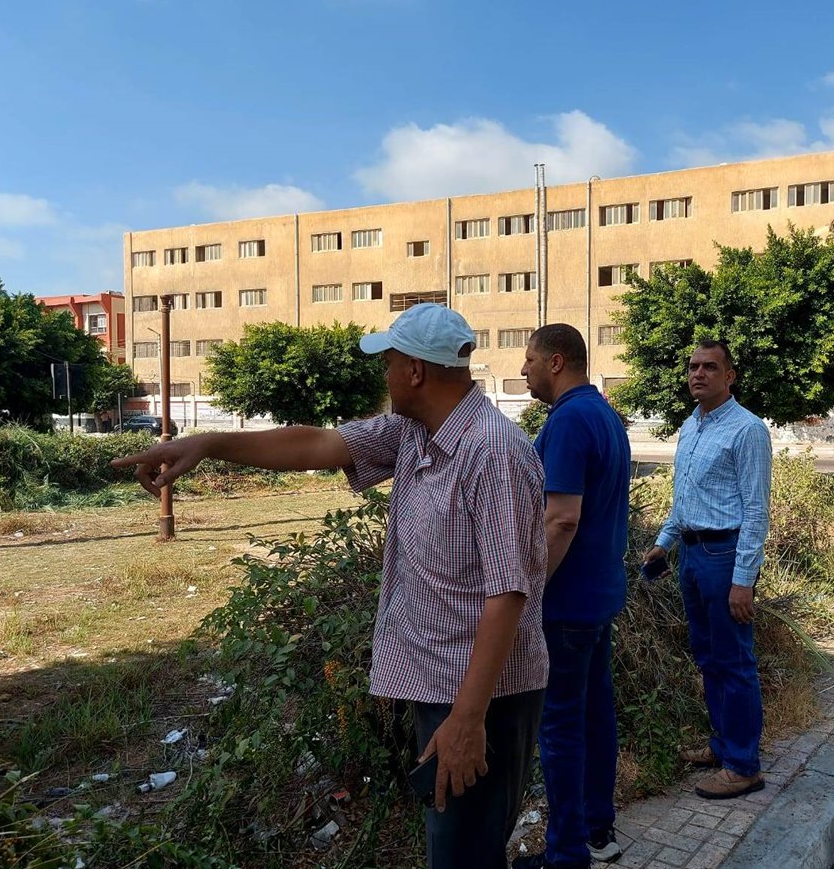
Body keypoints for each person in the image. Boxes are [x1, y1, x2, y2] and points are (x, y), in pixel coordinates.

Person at [112, 303, 549, 869]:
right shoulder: (415, 432)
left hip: (484, 697)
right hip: (447, 687)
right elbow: (316, 445)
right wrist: (208, 443)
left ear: (415, 370)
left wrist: (468, 719)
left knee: (466, 855)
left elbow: (508, 593)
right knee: (456, 849)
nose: (384, 373)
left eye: (388, 362)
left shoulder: (493, 452)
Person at [514, 324, 631, 869]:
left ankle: (565, 855)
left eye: (530, 360)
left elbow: (561, 519)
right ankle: (597, 830)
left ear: (556, 362)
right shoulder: (604, 413)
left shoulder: (568, 420)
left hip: (565, 605)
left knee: (560, 728)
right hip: (598, 597)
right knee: (594, 717)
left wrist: (526, 592)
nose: (523, 370)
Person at [641, 339, 771, 801]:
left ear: (729, 376)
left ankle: (744, 765)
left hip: (724, 557)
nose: (698, 374)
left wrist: (743, 580)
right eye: (693, 366)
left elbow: (756, 511)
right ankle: (723, 745)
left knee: (734, 662)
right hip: (692, 556)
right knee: (709, 658)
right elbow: (685, 498)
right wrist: (663, 543)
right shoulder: (690, 426)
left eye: (710, 367)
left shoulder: (747, 430)